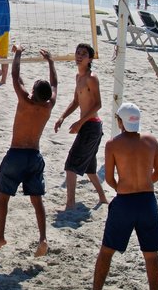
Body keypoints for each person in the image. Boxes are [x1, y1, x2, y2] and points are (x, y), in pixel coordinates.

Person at [93, 102, 158, 290]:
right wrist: (145, 183)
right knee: (151, 254)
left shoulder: (113, 144)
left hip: (125, 201)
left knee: (107, 251)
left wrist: (123, 188)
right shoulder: (151, 140)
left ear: (120, 122)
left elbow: (109, 178)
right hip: (147, 201)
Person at [0, 45, 58, 257]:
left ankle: (1, 236)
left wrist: (18, 53)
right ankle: (43, 238)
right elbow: (55, 85)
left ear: (32, 93)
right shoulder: (48, 106)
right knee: (37, 200)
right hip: (34, 156)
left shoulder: (24, 100)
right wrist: (50, 61)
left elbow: (15, 76)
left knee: (4, 197)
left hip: (16, 155)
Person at [54, 43, 109, 210]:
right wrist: (63, 117)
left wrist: (80, 122)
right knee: (90, 168)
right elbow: (76, 101)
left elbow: (98, 104)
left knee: (71, 165)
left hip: (91, 126)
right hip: (88, 126)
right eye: (78, 53)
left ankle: (70, 203)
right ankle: (103, 198)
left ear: (90, 58)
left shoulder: (92, 78)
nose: (79, 56)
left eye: (83, 54)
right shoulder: (78, 77)